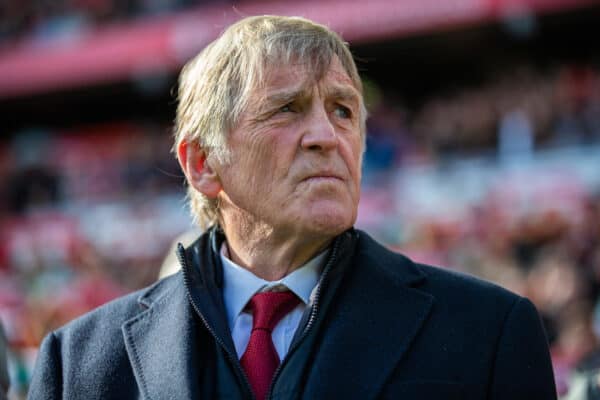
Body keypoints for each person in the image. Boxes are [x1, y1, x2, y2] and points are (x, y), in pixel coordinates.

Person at [29, 15, 557, 399]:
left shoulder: (487, 331)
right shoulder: (79, 363)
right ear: (203, 164)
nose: (327, 137)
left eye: (343, 110)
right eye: (287, 109)